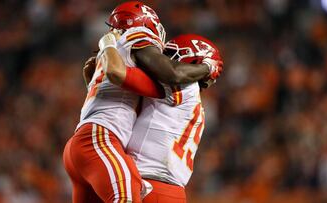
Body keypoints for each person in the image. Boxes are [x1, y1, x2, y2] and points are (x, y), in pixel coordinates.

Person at [62, 1, 220, 203]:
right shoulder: (191, 99)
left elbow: (166, 73)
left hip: (141, 176)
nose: (160, 57)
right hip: (167, 188)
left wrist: (107, 45)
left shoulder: (175, 81)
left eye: (169, 55)